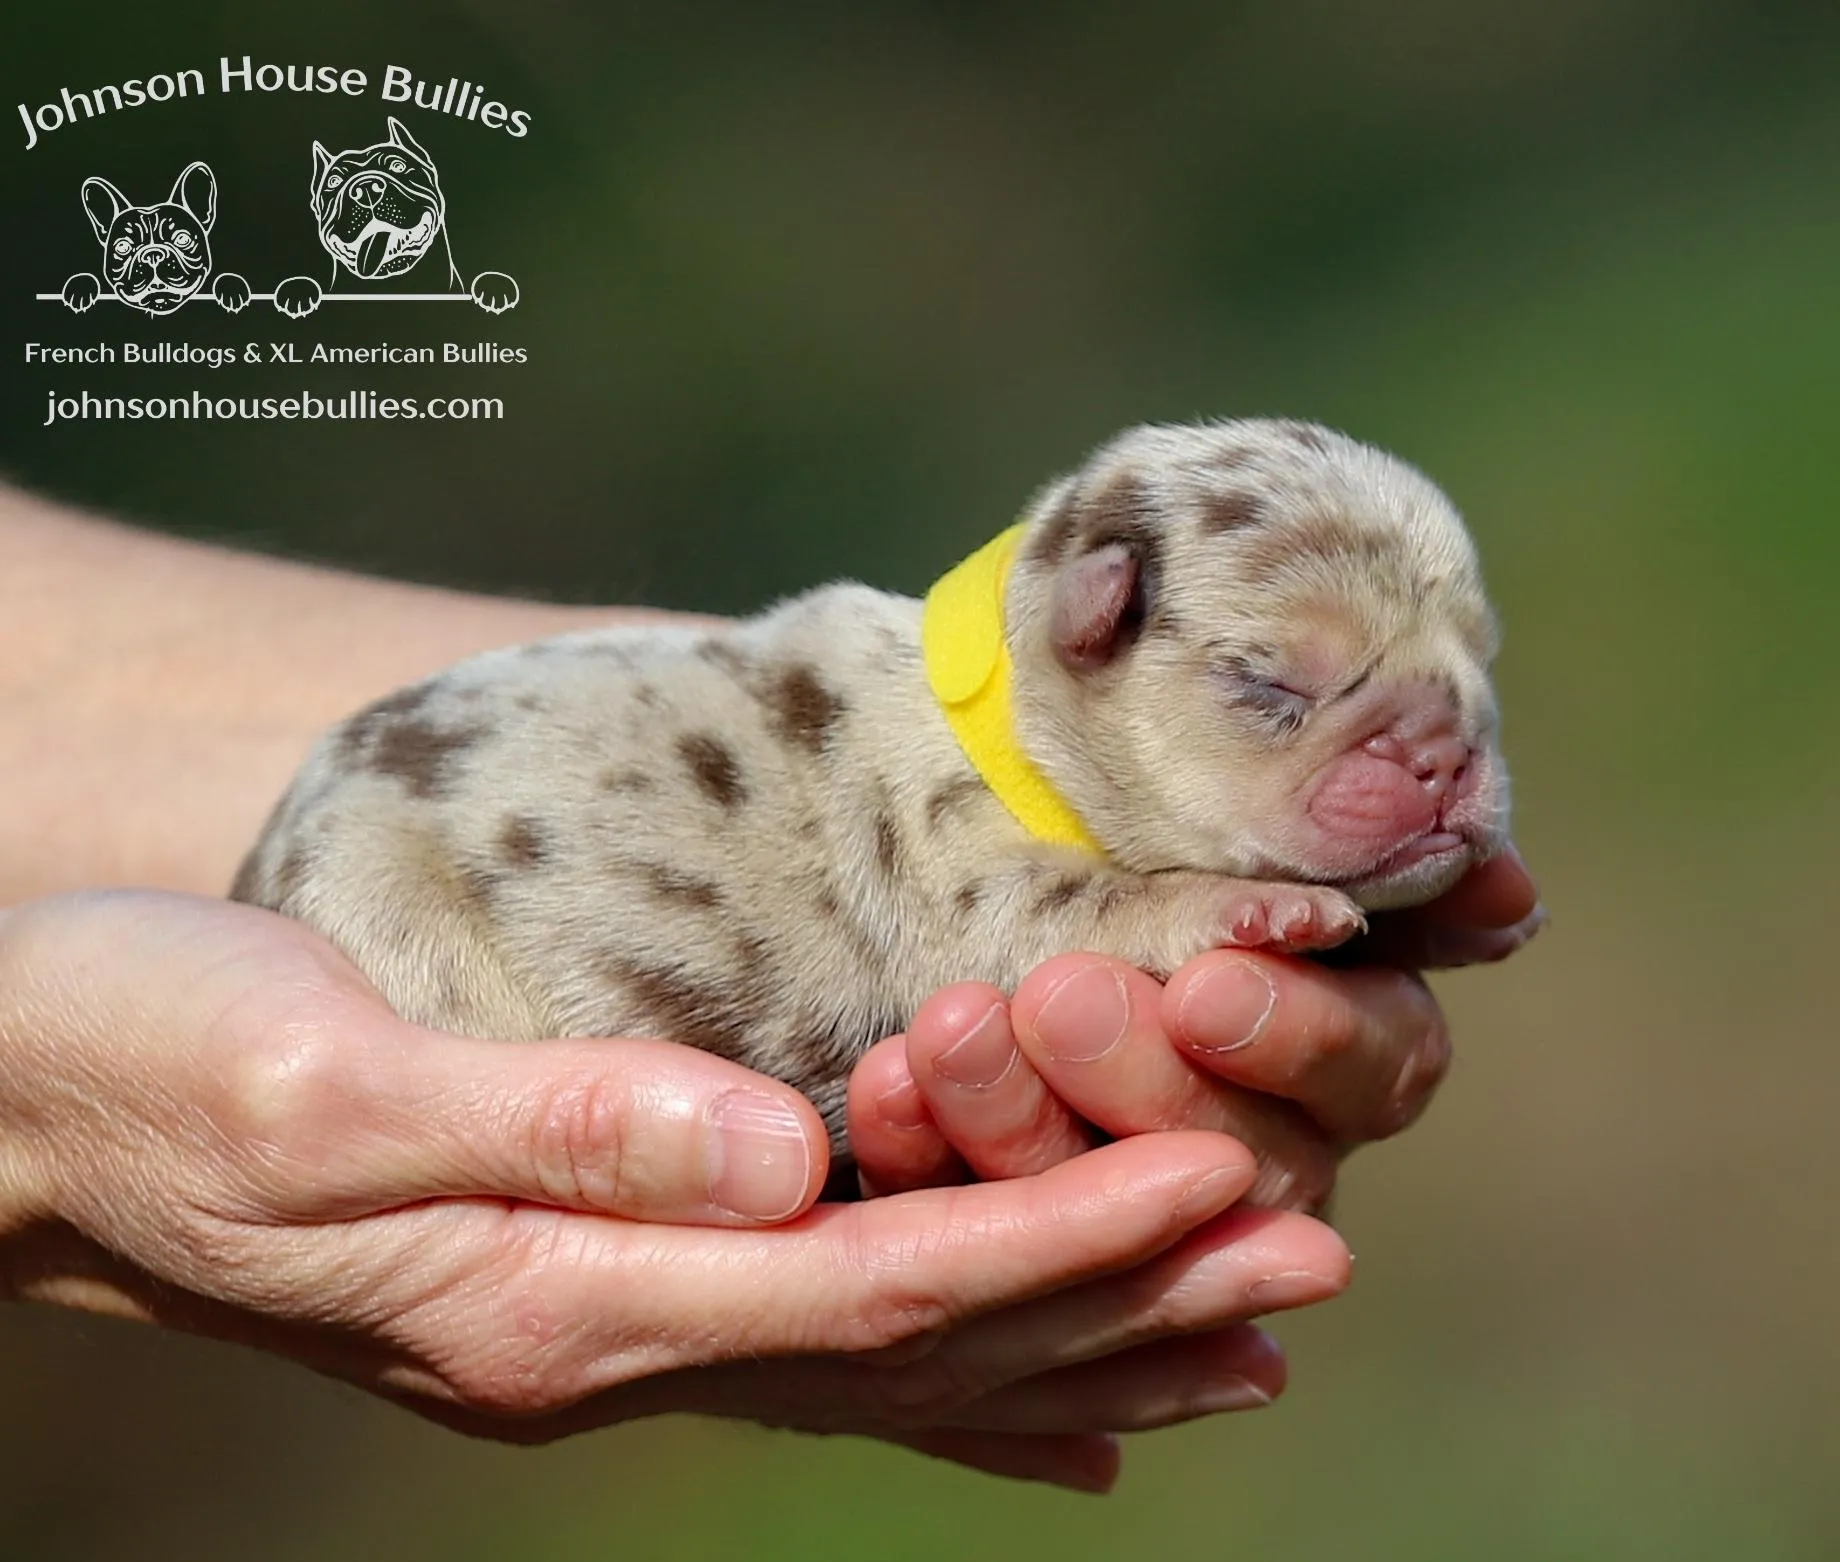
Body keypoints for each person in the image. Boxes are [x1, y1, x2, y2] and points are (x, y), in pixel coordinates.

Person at [0, 485, 1541, 1492]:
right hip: (428, 881)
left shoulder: (913, 698)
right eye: (1280, 691)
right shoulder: (935, 782)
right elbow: (1004, 923)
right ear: (1093, 620)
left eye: (1460, 678)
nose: (1437, 745)